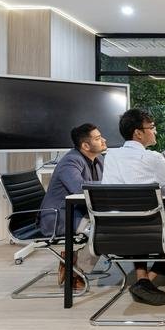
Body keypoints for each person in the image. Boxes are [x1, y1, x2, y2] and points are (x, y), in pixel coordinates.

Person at [101, 108, 165, 306]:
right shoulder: (152, 158)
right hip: (151, 232)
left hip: (115, 231)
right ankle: (149, 279)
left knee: (136, 218)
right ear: (138, 133)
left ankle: (142, 279)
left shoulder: (111, 156)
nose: (155, 131)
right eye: (152, 127)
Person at [38, 123, 106, 289]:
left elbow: (104, 184)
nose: (104, 140)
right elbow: (80, 189)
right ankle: (77, 269)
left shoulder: (98, 159)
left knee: (111, 222)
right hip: (59, 217)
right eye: (98, 138)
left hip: (79, 212)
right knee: (104, 230)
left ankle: (73, 259)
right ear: (85, 145)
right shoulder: (70, 162)